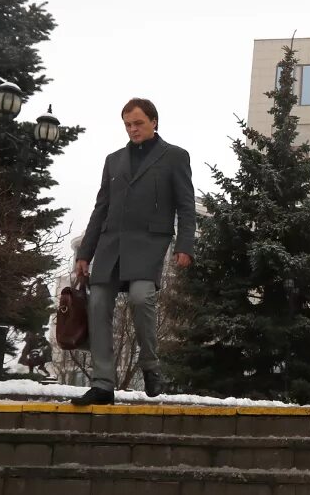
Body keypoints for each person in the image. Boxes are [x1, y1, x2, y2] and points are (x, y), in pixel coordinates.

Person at [70, 98, 196, 406]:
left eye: (138, 123)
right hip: (111, 244)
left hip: (149, 243)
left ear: (154, 121)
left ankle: (150, 364)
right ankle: (102, 384)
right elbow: (101, 208)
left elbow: (186, 205)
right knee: (97, 303)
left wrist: (185, 245)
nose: (132, 129)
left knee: (141, 297)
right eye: (127, 124)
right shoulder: (114, 160)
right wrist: (85, 254)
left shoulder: (175, 157)